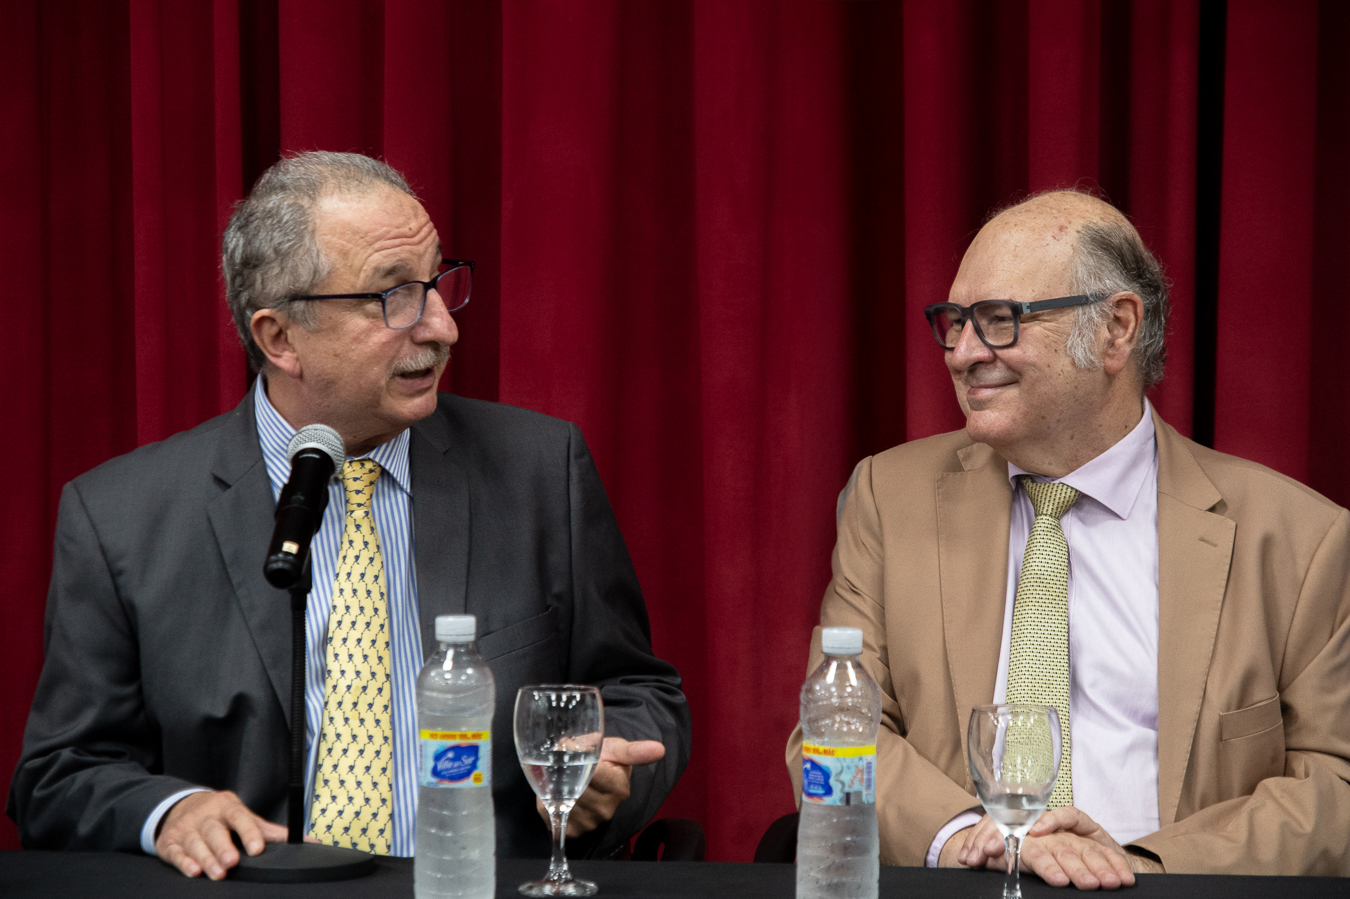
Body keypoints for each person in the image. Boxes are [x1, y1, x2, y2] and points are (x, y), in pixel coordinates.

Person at [9, 151, 690, 879]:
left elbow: (639, 692)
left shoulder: (540, 471)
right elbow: (59, 774)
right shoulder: (120, 517)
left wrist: (609, 767)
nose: (442, 328)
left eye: (436, 284)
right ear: (280, 338)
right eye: (394, 296)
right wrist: (169, 811)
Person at [787, 190, 1350, 885]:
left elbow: (1335, 786)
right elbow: (832, 736)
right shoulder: (888, 497)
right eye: (955, 323)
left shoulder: (1298, 539)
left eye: (1000, 321)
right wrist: (976, 839)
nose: (963, 353)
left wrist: (1136, 867)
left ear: (1116, 329)